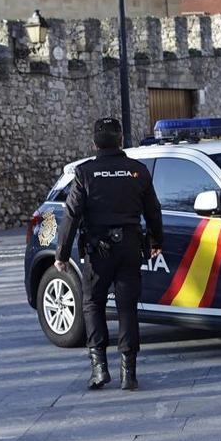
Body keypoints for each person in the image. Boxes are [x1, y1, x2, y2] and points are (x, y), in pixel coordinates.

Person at [55, 118, 163, 391]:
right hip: (129, 246)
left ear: (94, 143)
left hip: (97, 248)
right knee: (127, 307)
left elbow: (71, 215)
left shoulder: (84, 172)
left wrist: (61, 254)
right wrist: (156, 240)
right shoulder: (137, 170)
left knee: (93, 304)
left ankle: (99, 369)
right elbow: (153, 210)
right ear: (121, 140)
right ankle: (129, 373)